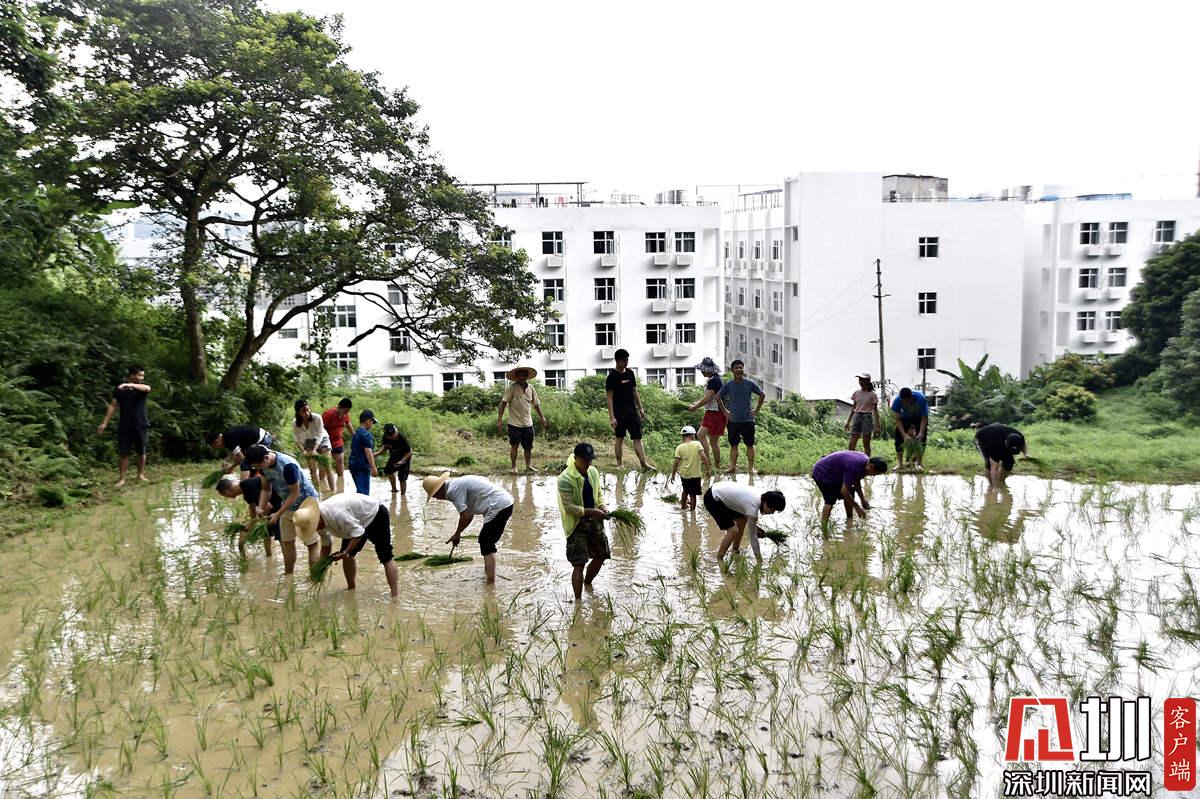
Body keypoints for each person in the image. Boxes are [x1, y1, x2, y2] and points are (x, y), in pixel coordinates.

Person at [245, 445, 328, 574]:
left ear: (266, 457)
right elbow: (266, 489)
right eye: (255, 467)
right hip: (287, 504)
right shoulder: (263, 467)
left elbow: (295, 493)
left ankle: (315, 577)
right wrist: (260, 507)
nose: (258, 469)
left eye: (258, 466)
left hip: (306, 504)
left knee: (311, 543)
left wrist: (277, 514)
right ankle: (288, 576)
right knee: (287, 542)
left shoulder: (288, 466)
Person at [423, 472, 514, 585]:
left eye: (434, 495)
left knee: (486, 542)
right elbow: (469, 515)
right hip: (504, 502)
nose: (437, 499)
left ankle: (490, 583)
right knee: (486, 541)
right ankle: (488, 572)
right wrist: (458, 533)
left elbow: (466, 516)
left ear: (438, 490)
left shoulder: (452, 491)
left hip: (499, 505)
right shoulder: (456, 484)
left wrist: (457, 534)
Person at [557, 442, 611, 600]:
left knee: (601, 555)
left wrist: (602, 506)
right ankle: (578, 603)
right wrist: (593, 511)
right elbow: (569, 508)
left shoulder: (593, 472)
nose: (588, 463)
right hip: (576, 524)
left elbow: (598, 493)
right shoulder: (565, 479)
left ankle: (588, 584)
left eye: (590, 459)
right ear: (575, 458)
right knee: (579, 563)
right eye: (585, 460)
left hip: (595, 520)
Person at [319, 492, 399, 597]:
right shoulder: (315, 523)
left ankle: (394, 596)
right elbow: (326, 545)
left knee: (386, 556)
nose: (316, 529)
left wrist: (345, 552)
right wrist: (321, 565)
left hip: (375, 514)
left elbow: (358, 534)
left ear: (318, 519)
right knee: (348, 556)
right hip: (355, 519)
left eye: (317, 527)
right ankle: (351, 590)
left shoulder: (337, 514)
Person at [703, 483, 786, 564]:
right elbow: (753, 538)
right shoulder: (753, 507)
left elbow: (746, 513)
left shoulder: (758, 496)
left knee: (742, 521)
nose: (771, 513)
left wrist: (755, 528)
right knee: (733, 530)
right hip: (712, 498)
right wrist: (759, 561)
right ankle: (719, 558)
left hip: (719, 491)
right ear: (766, 502)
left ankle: (735, 550)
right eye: (772, 510)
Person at [97, 364, 151, 487]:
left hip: (140, 423)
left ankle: (140, 475)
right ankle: (122, 478)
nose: (142, 378)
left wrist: (130, 385)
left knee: (141, 451)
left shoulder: (141, 388)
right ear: (132, 375)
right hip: (125, 424)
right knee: (124, 452)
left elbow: (147, 388)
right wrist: (104, 422)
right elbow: (113, 406)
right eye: (139, 375)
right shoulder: (119, 390)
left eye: (142, 376)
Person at [811, 450, 889, 526]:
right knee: (830, 500)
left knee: (851, 492)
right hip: (822, 472)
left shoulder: (865, 463)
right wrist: (857, 508)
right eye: (875, 474)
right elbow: (844, 491)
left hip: (835, 472)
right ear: (871, 466)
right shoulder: (854, 466)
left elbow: (856, 480)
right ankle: (824, 527)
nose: (873, 476)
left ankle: (849, 521)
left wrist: (862, 499)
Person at [605, 349, 654, 470]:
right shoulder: (611, 377)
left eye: (627, 360)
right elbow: (609, 397)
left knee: (637, 437)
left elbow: (634, 391)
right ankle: (620, 464)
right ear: (617, 361)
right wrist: (612, 417)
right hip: (618, 414)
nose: (626, 362)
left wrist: (641, 408)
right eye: (624, 360)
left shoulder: (630, 373)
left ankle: (644, 464)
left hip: (632, 412)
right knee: (619, 438)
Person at [717, 360, 765, 475]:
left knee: (750, 444)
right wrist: (725, 411)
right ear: (732, 370)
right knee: (734, 445)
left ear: (743, 369)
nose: (739, 370)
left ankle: (751, 468)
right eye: (736, 368)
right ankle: (732, 467)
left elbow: (762, 394)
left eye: (741, 368)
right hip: (733, 420)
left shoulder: (749, 383)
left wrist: (756, 410)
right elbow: (717, 397)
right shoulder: (729, 385)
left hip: (748, 420)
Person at [215, 475, 281, 558]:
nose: (228, 497)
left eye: (225, 496)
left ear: (227, 492)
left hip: (280, 503)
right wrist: (248, 526)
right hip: (277, 503)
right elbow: (252, 509)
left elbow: (268, 507)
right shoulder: (245, 488)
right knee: (266, 533)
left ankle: (281, 561)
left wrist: (257, 519)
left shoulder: (248, 487)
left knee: (280, 537)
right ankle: (269, 558)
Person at [497, 366, 547, 474]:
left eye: (524, 375)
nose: (522, 377)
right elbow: (503, 404)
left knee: (528, 447)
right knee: (514, 445)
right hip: (514, 424)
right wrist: (499, 420)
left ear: (527, 376)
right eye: (520, 375)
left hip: (528, 424)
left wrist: (542, 417)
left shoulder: (531, 388)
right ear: (516, 376)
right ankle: (513, 467)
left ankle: (528, 466)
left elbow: (536, 404)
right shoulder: (512, 388)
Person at [687, 357, 725, 472]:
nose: (702, 372)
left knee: (711, 440)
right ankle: (709, 462)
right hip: (711, 412)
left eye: (703, 370)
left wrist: (695, 407)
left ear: (709, 370)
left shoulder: (715, 381)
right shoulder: (713, 379)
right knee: (702, 436)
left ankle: (715, 464)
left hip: (716, 413)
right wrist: (695, 404)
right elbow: (707, 398)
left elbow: (707, 398)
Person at [293, 399, 334, 493]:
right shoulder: (295, 423)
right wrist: (303, 451)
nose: (307, 413)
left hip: (322, 439)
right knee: (312, 470)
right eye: (303, 411)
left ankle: (333, 492)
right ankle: (316, 493)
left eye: (308, 409)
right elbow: (296, 439)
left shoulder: (317, 417)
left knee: (328, 466)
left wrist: (315, 449)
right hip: (308, 442)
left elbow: (320, 434)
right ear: (298, 412)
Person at [206, 424, 274, 477]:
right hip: (263, 436)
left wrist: (231, 468)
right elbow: (236, 452)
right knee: (249, 462)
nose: (217, 448)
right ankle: (253, 479)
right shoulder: (226, 435)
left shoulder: (229, 440)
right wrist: (226, 460)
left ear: (216, 441)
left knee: (248, 463)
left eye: (214, 446)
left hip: (263, 439)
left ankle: (248, 483)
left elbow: (241, 458)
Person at [669, 425, 710, 511]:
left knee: (685, 490)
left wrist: (673, 474)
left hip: (684, 474)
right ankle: (692, 512)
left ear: (683, 436)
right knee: (693, 494)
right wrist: (707, 469)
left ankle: (683, 507)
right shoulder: (697, 444)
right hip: (695, 474)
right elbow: (703, 456)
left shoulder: (679, 447)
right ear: (692, 435)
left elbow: (676, 462)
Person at [975, 423, 1026, 489]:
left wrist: (1026, 454)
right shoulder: (994, 444)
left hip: (1000, 436)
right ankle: (991, 485)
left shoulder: (1019, 436)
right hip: (983, 439)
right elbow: (994, 468)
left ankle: (1001, 481)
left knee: (1009, 462)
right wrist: (995, 488)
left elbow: (1023, 444)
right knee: (989, 463)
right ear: (1006, 443)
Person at [891, 387, 930, 471]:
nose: (905, 403)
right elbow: (898, 419)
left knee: (922, 439)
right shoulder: (897, 401)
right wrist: (904, 435)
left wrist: (921, 433)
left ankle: (919, 463)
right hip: (905, 417)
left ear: (911, 397)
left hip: (919, 417)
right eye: (903, 401)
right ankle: (900, 464)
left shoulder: (921, 399)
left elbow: (924, 418)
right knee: (898, 438)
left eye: (907, 401)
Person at [321, 398, 354, 491]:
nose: (346, 413)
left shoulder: (346, 416)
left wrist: (355, 437)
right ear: (339, 407)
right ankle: (322, 485)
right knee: (325, 464)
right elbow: (320, 428)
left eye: (347, 411)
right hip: (325, 442)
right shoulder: (328, 414)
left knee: (340, 461)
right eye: (345, 411)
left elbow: (349, 426)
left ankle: (340, 485)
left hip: (337, 442)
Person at [845, 372, 881, 456]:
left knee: (866, 441)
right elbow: (853, 408)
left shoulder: (872, 395)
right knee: (853, 438)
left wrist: (877, 426)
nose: (861, 382)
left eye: (863, 380)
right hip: (857, 415)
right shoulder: (856, 393)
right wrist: (848, 421)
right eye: (860, 380)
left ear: (868, 381)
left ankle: (866, 460)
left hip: (867, 417)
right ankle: (850, 458)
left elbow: (875, 411)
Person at [347, 410, 379, 495]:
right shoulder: (366, 434)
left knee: (360, 489)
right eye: (372, 422)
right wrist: (373, 467)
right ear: (368, 421)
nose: (372, 425)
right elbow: (368, 451)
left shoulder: (356, 433)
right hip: (362, 466)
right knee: (363, 493)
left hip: (353, 464)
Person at [376, 424, 412, 495]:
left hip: (405, 457)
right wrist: (377, 453)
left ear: (395, 430)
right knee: (388, 471)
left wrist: (402, 461)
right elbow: (385, 446)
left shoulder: (402, 438)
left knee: (402, 477)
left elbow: (409, 452)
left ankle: (403, 495)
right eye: (390, 435)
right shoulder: (385, 437)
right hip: (394, 456)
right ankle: (394, 489)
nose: (393, 436)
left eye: (393, 433)